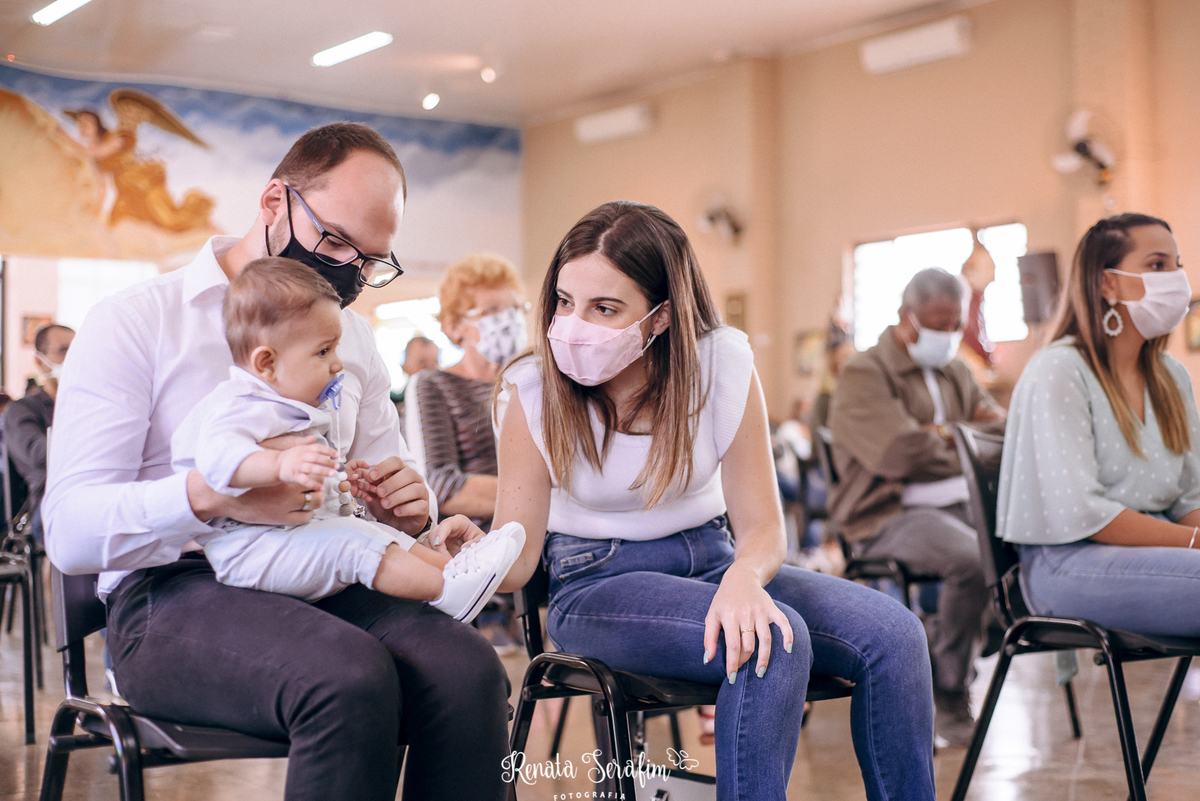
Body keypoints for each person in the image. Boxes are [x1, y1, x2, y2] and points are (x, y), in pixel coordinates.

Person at [43, 122, 511, 800]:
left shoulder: (348, 337)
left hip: (319, 565)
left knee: (470, 670)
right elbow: (69, 531)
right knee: (346, 677)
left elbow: (386, 483)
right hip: (170, 593)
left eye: (371, 260)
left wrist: (413, 511)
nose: (349, 270)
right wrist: (211, 496)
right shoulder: (138, 321)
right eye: (334, 240)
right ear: (273, 204)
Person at [493, 201, 935, 801]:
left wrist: (744, 578)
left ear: (661, 317)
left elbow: (762, 526)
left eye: (605, 308)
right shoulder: (532, 390)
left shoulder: (721, 363)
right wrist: (467, 555)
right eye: (564, 302)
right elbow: (517, 557)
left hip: (716, 559)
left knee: (897, 637)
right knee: (773, 646)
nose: (574, 326)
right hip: (595, 583)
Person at [172, 257, 523, 619]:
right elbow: (216, 461)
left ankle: (461, 571)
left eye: (336, 348)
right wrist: (279, 464)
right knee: (359, 545)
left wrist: (349, 481)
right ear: (266, 363)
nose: (338, 363)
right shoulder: (237, 405)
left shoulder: (293, 406)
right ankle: (448, 593)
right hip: (254, 550)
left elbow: (321, 475)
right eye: (324, 352)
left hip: (299, 534)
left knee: (387, 538)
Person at [827, 267, 1004, 747]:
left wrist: (944, 436)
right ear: (907, 317)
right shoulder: (865, 372)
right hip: (886, 515)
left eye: (954, 323)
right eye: (937, 323)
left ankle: (947, 639)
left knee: (1020, 545)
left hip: (957, 502)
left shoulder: (956, 369)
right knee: (973, 558)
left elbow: (999, 432)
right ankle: (949, 689)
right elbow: (898, 452)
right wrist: (960, 437)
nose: (947, 334)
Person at [999, 213, 1200, 635]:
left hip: (1157, 550)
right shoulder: (1058, 369)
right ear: (1107, 283)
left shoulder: (1172, 376)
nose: (1176, 279)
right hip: (1066, 563)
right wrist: (1192, 542)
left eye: (1177, 265)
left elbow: (1188, 499)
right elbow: (1085, 514)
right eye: (1158, 265)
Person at [406, 253, 526, 526]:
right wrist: (544, 498)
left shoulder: (533, 381)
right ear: (455, 326)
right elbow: (440, 485)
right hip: (482, 540)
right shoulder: (435, 384)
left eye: (516, 309)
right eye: (492, 311)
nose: (509, 320)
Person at [5, 323, 74, 542]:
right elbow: (36, 453)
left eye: (77, 349)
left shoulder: (92, 406)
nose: (72, 357)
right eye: (63, 350)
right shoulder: (22, 410)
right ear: (39, 362)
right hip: (50, 502)